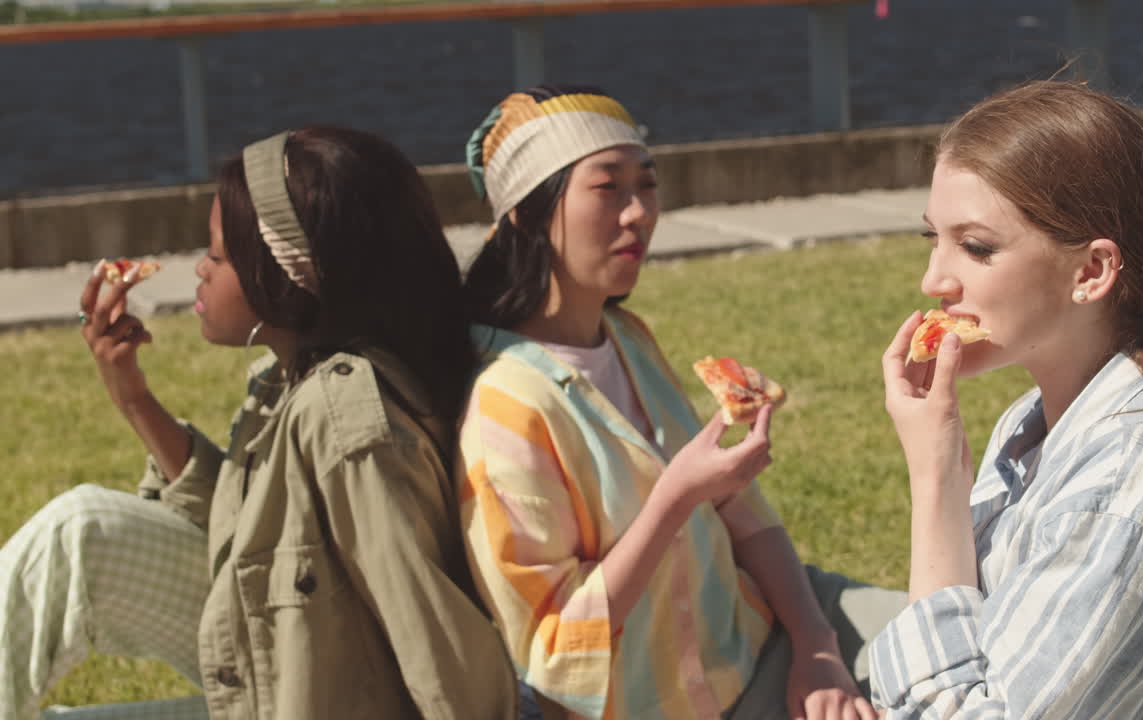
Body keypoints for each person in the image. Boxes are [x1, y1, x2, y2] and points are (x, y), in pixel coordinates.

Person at [0, 127, 519, 719]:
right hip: (281, 676)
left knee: (75, 527)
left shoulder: (344, 418)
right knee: (83, 532)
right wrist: (133, 397)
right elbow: (243, 537)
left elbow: (429, 631)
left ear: (286, 274)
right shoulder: (288, 383)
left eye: (219, 256)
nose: (200, 270)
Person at [456, 84, 905, 720]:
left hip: (765, 634)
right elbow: (552, 654)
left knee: (967, 637)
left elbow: (741, 511)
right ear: (525, 214)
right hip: (672, 704)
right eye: (607, 188)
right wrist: (677, 498)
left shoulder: (627, 338)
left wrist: (817, 647)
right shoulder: (505, 405)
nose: (638, 213)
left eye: (647, 184)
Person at [872, 80, 1143, 718]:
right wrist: (945, 475)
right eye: (934, 239)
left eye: (976, 247)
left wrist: (933, 480)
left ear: (1091, 272)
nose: (934, 281)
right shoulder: (1033, 422)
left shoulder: (1129, 481)